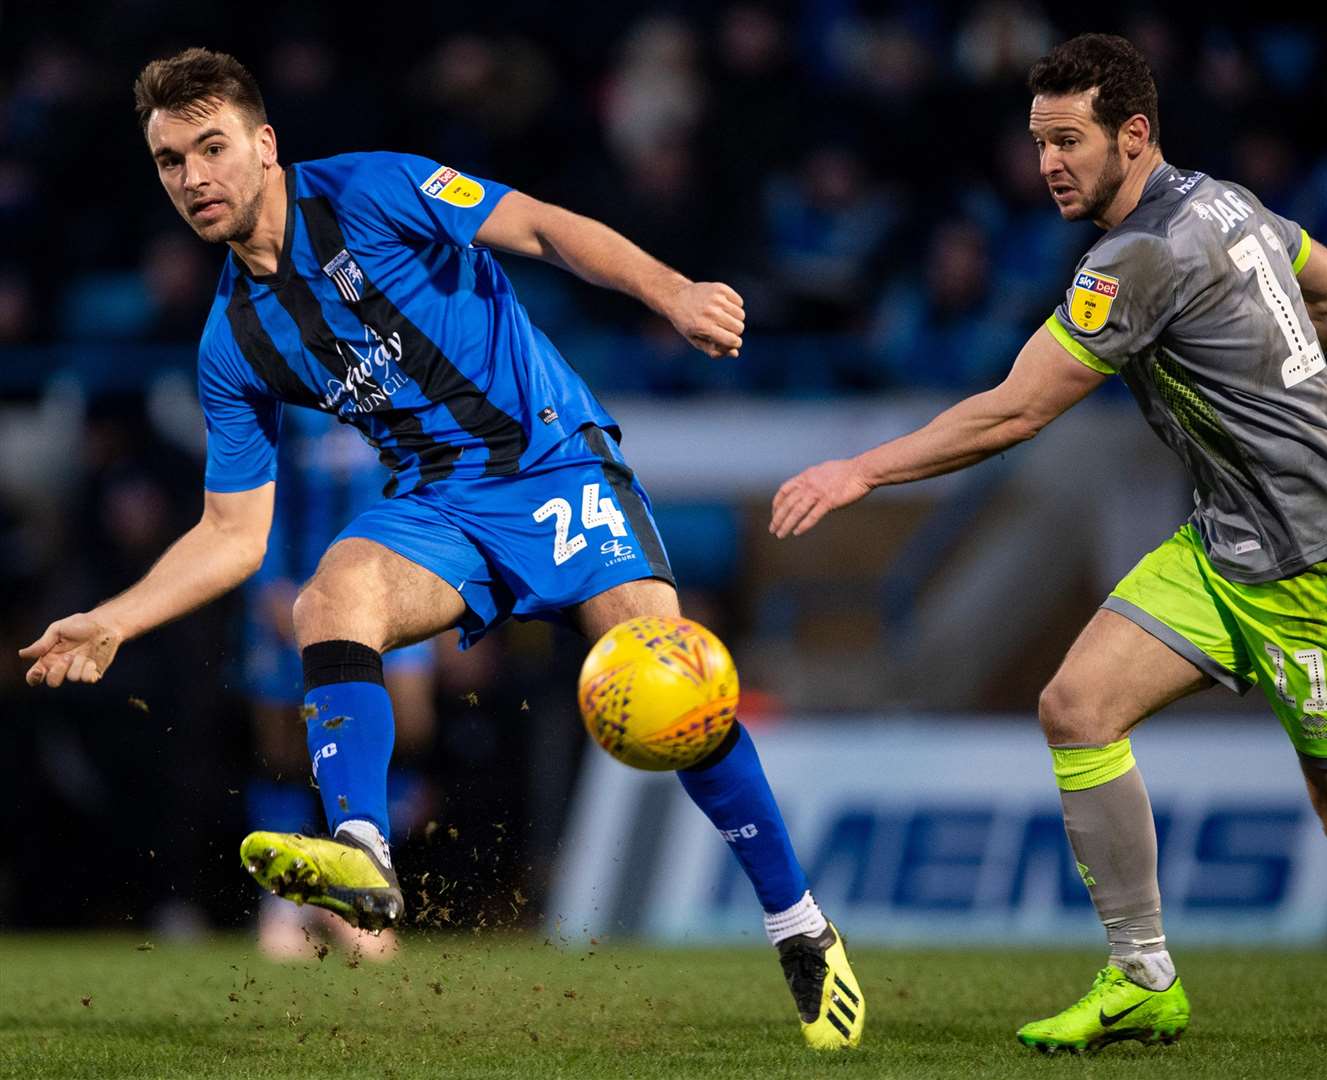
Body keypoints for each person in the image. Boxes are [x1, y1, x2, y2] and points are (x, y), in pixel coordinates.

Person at [19, 47, 864, 1050]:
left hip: (557, 468)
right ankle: (363, 852)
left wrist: (672, 292)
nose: (195, 178)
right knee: (330, 594)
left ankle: (800, 928)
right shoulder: (233, 342)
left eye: (212, 148)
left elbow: (543, 225)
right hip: (441, 506)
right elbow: (233, 535)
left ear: (264, 145)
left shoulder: (376, 188)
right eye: (170, 161)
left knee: (673, 687)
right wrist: (113, 618)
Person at [772, 32, 1327, 1053]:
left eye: (1068, 141)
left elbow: (1012, 414)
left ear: (1133, 135)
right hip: (1225, 547)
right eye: (1040, 141)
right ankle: (1143, 977)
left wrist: (860, 471)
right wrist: (1280, 385)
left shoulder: (1137, 256)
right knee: (1077, 707)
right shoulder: (1228, 202)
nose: (1048, 163)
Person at [243, 407, 437, 960]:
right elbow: (254, 492)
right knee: (284, 742)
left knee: (408, 723)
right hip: (295, 588)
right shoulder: (285, 396)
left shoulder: (399, 388)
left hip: (391, 584)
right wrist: (269, 579)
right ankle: (285, 902)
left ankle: (357, 889)